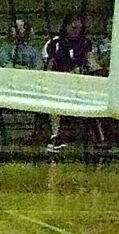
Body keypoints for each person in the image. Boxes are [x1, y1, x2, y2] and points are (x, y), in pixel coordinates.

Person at [42, 13, 105, 153]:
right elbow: (49, 70)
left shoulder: (85, 42)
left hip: (80, 85)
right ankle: (55, 137)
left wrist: (102, 73)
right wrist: (65, 76)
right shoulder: (55, 43)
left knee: (96, 98)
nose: (76, 31)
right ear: (66, 27)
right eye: (73, 27)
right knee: (53, 101)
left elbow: (92, 62)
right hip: (58, 85)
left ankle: (100, 137)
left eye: (79, 28)